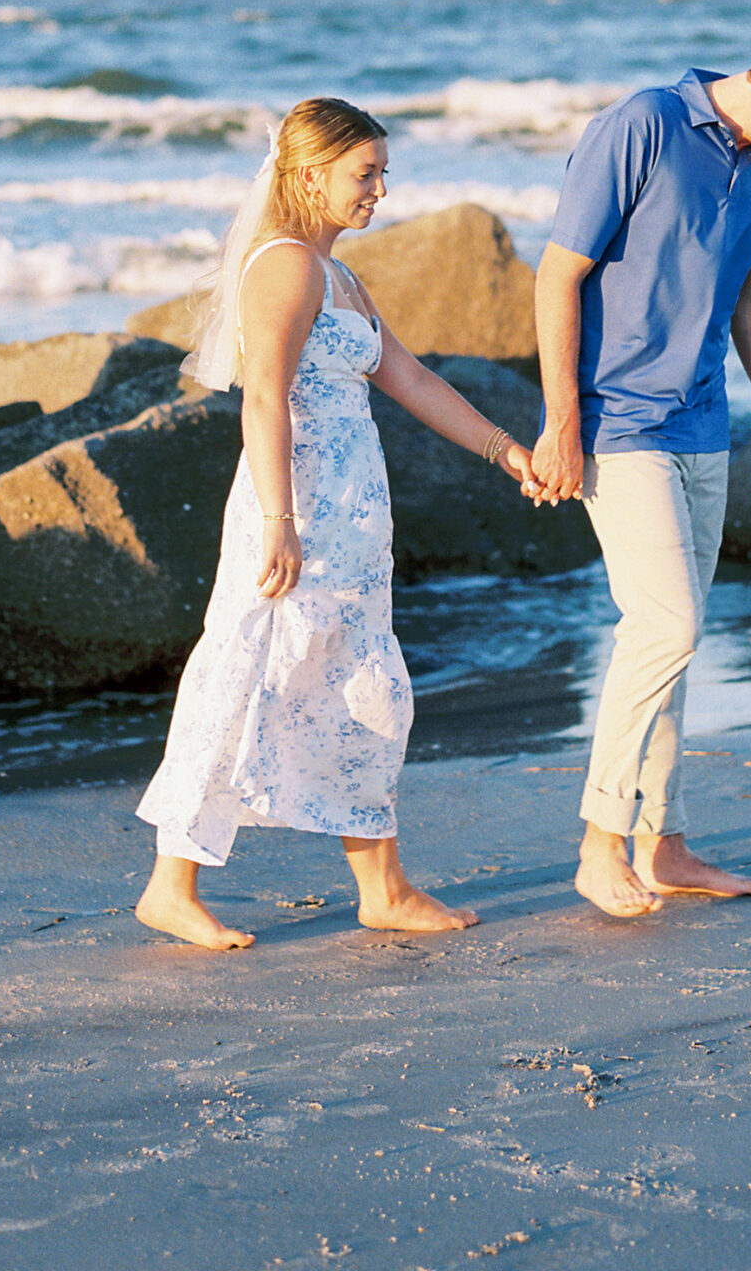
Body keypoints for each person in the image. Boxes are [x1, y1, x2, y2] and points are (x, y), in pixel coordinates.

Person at [135, 96, 546, 951]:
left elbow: (412, 380)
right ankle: (171, 885)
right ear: (310, 174)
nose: (380, 192)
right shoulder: (283, 265)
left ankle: (383, 886)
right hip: (293, 517)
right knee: (247, 678)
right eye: (366, 174)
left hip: (350, 528)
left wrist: (505, 449)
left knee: (367, 689)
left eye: (383, 173)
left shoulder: (341, 277)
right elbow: (263, 395)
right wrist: (280, 521)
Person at [530, 16, 751, 918]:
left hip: (701, 424)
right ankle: (598, 842)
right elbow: (555, 277)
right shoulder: (640, 126)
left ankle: (666, 844)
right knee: (666, 625)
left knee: (671, 649)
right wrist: (562, 424)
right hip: (617, 420)